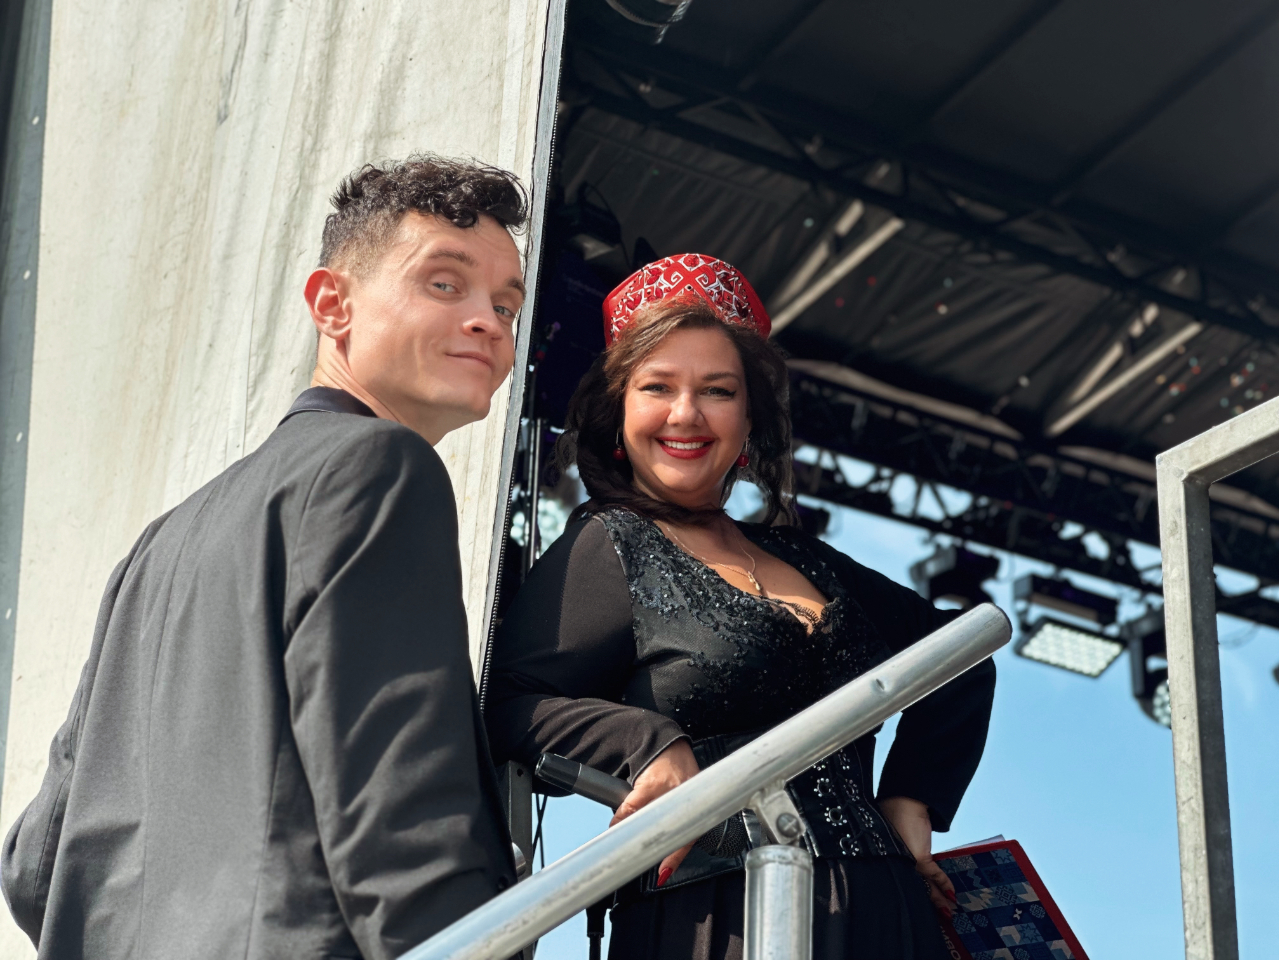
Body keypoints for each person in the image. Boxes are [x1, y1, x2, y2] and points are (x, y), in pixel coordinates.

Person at [2, 155, 529, 960]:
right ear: (333, 305)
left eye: (505, 304)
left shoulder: (159, 544)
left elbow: (35, 865)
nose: (488, 321)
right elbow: (402, 826)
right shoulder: (383, 469)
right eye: (444, 283)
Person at [486, 254, 997, 960]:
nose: (686, 413)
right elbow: (505, 701)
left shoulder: (806, 557)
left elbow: (962, 652)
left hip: (885, 912)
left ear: (748, 417)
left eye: (717, 391)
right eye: (657, 386)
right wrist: (648, 743)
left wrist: (911, 800)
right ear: (618, 411)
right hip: (714, 919)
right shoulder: (608, 544)